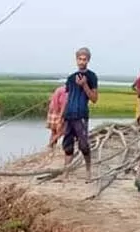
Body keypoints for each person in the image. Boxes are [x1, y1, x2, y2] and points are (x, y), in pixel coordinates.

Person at [61, 47, 99, 181]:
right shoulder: (71, 78)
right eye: (80, 59)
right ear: (76, 60)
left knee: (83, 145)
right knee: (67, 145)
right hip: (69, 115)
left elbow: (94, 99)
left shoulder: (91, 76)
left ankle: (89, 170)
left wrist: (84, 85)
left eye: (84, 59)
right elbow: (67, 98)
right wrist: (62, 116)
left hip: (81, 115)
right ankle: (65, 173)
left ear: (88, 60)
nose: (82, 62)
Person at [46, 84, 67, 149]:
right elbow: (64, 104)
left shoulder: (58, 89)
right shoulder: (66, 91)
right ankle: (50, 145)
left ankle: (51, 148)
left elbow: (51, 100)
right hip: (58, 113)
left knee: (53, 132)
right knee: (62, 131)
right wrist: (61, 117)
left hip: (51, 113)